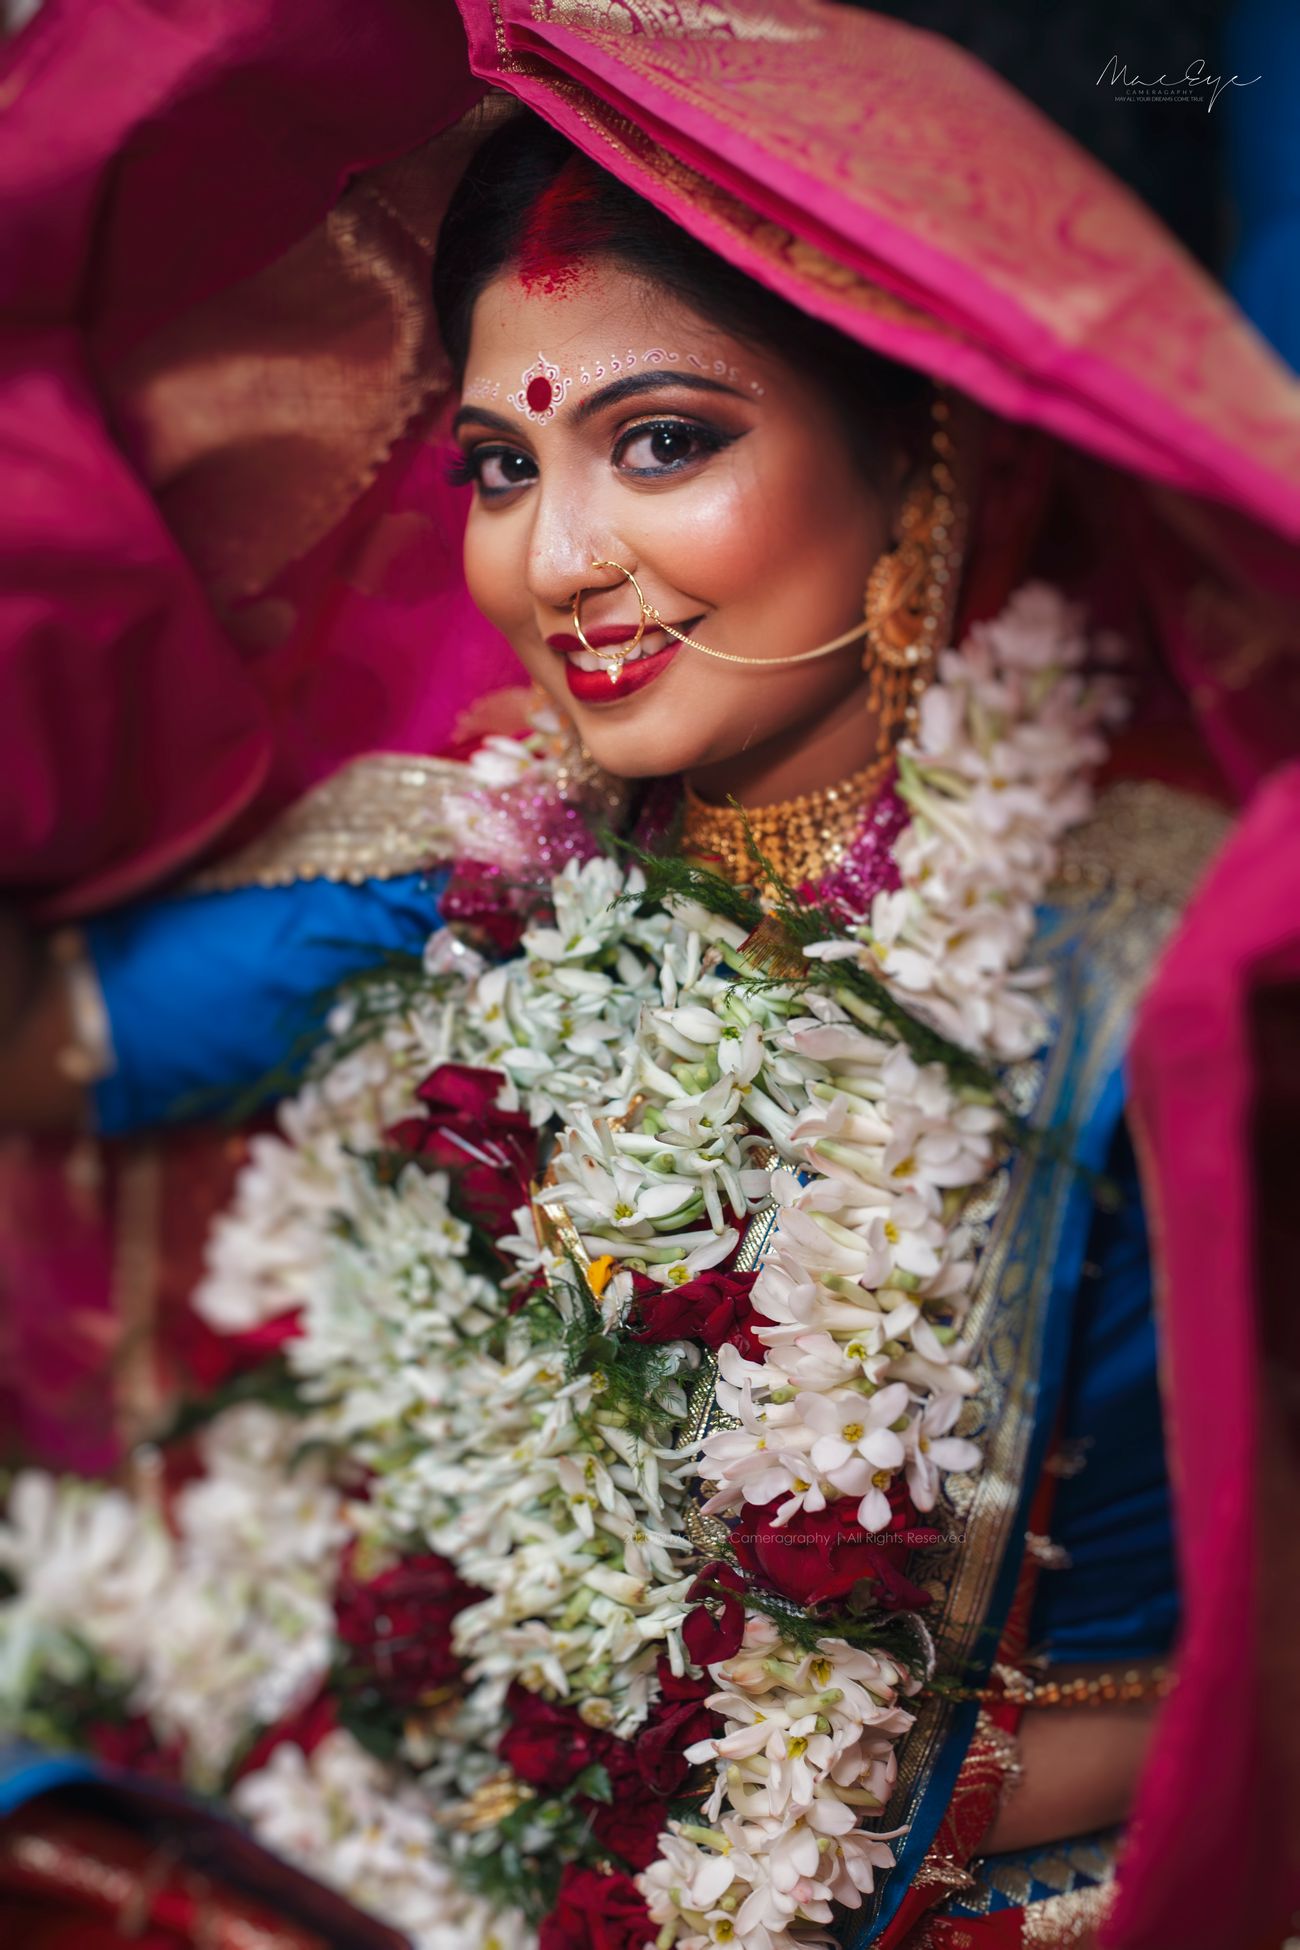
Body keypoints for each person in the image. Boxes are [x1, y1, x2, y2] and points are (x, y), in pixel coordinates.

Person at [1, 4, 1298, 1949]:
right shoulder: (452, 872)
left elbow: (1232, 1711)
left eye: (662, 442)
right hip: (409, 1838)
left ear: (910, 454)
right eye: (499, 468)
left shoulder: (1154, 998)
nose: (558, 560)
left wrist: (710, 1773)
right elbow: (59, 1045)